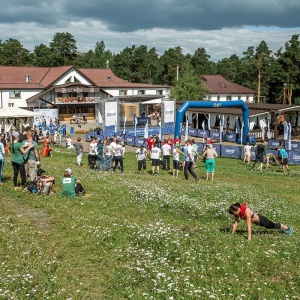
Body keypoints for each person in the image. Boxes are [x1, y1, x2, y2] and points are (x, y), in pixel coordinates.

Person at [228, 202, 292, 241]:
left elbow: (249, 226)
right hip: (257, 222)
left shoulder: (246, 212)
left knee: (273, 226)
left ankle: (288, 228)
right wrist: (232, 234)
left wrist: (249, 239)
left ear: (238, 209)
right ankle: (282, 228)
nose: (234, 214)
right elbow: (235, 224)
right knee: (273, 225)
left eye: (234, 212)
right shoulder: (237, 213)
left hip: (261, 220)